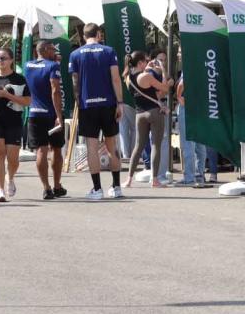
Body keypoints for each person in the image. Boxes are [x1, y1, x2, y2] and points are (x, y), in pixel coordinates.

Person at [69, 21, 125, 200]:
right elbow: (116, 78)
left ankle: (97, 189)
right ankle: (116, 187)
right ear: (99, 34)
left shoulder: (75, 54)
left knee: (92, 147)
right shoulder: (109, 51)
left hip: (87, 105)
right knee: (112, 145)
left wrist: (78, 101)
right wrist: (120, 103)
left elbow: (75, 82)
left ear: (83, 36)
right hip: (108, 104)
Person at [0, 48, 30, 203]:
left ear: (11, 60)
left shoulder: (19, 79)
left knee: (13, 159)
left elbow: (28, 101)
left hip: (13, 120)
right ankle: (0, 190)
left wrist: (7, 95)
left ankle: (11, 177)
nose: (0, 61)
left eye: (3, 58)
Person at [24, 40, 68, 200]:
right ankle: (56, 185)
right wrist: (58, 115)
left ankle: (46, 188)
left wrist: (53, 60)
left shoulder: (27, 65)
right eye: (52, 49)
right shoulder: (53, 66)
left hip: (34, 113)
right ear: (46, 50)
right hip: (51, 114)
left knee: (41, 150)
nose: (55, 51)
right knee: (56, 148)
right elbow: (55, 90)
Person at [124, 50, 172, 188]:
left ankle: (128, 180)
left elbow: (146, 91)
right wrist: (162, 68)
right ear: (140, 63)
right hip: (154, 112)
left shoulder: (128, 78)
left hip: (139, 114)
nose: (147, 63)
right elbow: (164, 89)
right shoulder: (146, 77)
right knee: (156, 145)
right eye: (145, 61)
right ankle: (155, 179)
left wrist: (148, 67)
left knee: (138, 147)